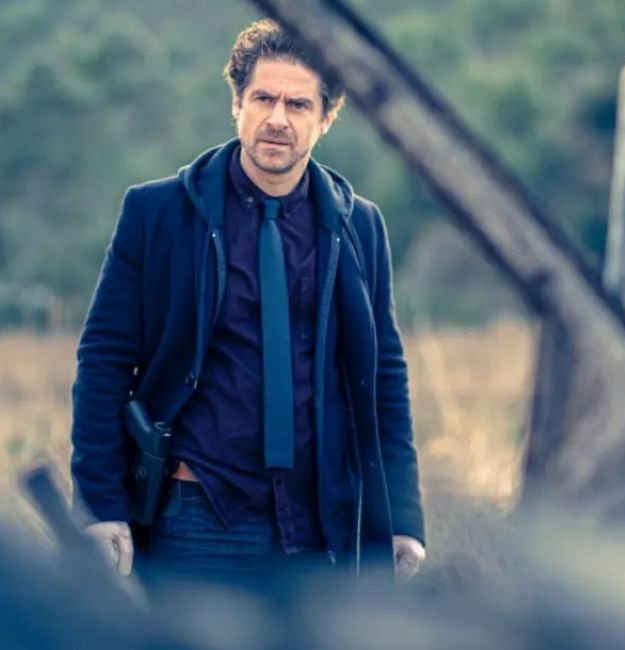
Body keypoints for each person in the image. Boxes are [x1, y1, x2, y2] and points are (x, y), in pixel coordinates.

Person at [71, 18, 425, 588]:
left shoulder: (360, 225)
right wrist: (100, 503)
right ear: (237, 104)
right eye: (263, 99)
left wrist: (402, 518)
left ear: (325, 118)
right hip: (196, 515)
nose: (278, 119)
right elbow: (104, 361)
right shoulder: (157, 214)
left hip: (321, 522)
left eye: (298, 104)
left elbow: (385, 376)